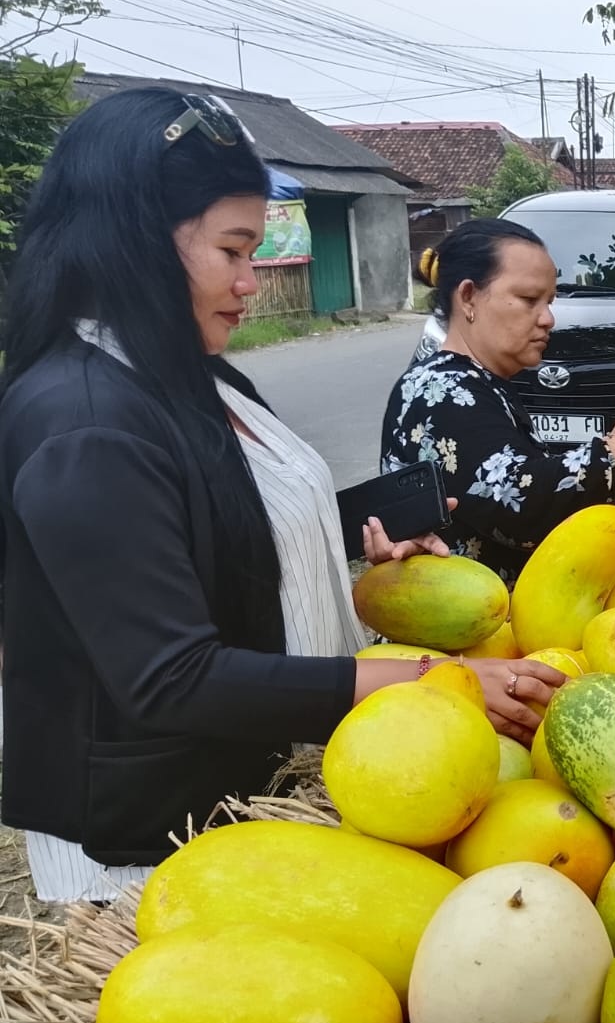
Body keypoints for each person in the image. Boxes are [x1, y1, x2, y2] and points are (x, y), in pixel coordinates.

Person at [0, 89, 563, 902]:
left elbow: (210, 531)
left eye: (254, 251)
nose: (250, 282)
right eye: (232, 250)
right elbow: (171, 677)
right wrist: (427, 683)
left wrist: (362, 537)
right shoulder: (84, 423)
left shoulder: (184, 374)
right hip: (150, 846)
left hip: (246, 793)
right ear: (135, 244)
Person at [380, 219, 615, 581]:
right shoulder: (444, 391)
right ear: (468, 297)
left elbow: (512, 481)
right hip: (460, 635)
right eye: (529, 300)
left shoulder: (470, 381)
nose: (548, 319)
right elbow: (524, 504)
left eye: (549, 301)